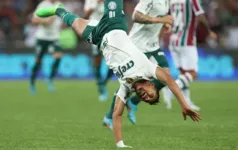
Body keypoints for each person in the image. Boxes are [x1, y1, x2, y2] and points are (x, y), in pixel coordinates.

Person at [35, 0, 200, 147]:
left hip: (99, 39)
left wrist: (120, 144)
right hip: (115, 25)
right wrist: (184, 105)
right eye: (149, 95)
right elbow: (169, 80)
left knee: (77, 27)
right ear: (150, 84)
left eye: (145, 99)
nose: (145, 96)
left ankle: (58, 10)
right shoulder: (147, 68)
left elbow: (117, 115)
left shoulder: (126, 86)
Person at [103, 0, 172, 126]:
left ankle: (133, 102)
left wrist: (164, 24)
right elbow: (136, 16)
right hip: (138, 46)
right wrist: (160, 21)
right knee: (128, 85)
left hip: (152, 46)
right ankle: (109, 117)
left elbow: (157, 15)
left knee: (165, 77)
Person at [166, 0, 217, 111]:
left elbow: (167, 17)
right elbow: (201, 17)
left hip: (173, 41)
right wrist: (209, 32)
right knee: (193, 73)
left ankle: (187, 102)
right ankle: (172, 88)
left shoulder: (172, 1)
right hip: (187, 42)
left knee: (183, 73)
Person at [29, 0, 63, 94]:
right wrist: (45, 21)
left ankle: (50, 79)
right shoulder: (43, 5)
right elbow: (34, 20)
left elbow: (61, 19)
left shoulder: (59, 5)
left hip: (54, 36)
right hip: (42, 37)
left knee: (58, 57)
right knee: (38, 60)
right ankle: (32, 83)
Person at [84, 0, 113, 101]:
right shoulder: (90, 1)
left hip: (108, 32)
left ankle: (104, 82)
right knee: (97, 60)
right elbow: (85, 16)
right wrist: (95, 4)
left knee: (114, 60)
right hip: (95, 32)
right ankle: (101, 88)